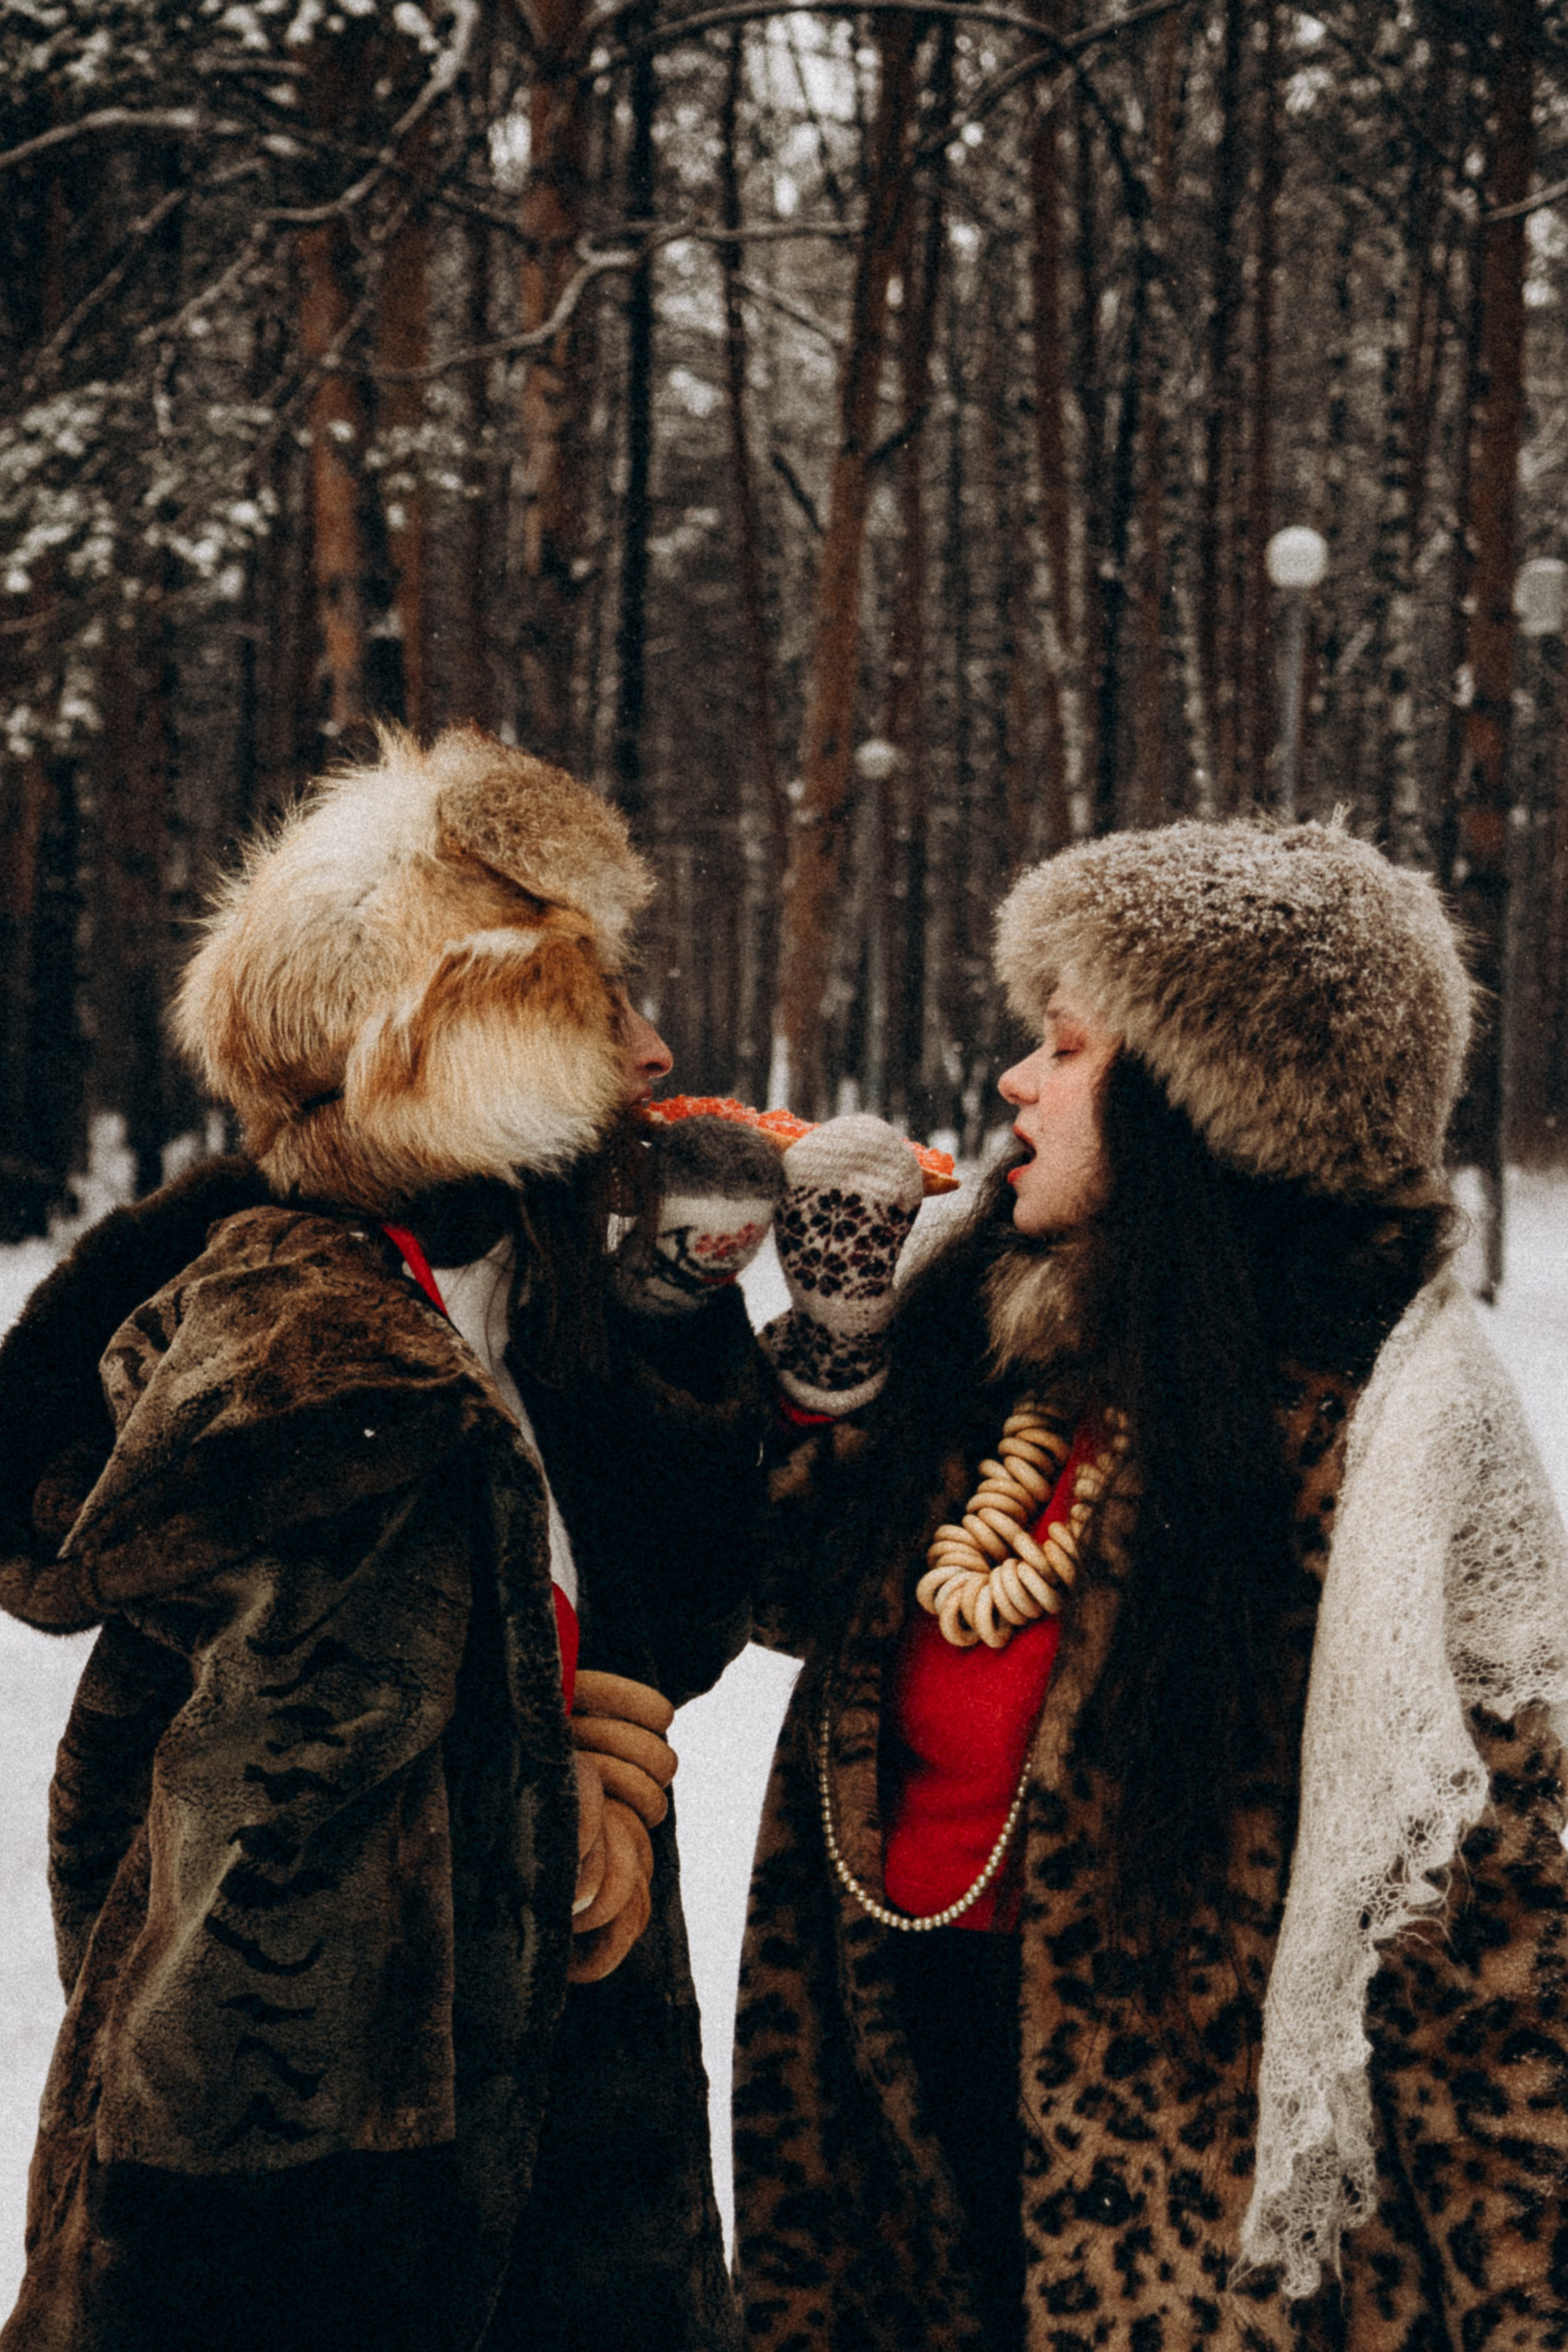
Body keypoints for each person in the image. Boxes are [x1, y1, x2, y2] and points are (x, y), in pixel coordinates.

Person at [0, 725, 789, 2352]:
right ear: (464, 1030)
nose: (651, 1054)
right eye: (599, 1006)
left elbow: (709, 1593)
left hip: (578, 2074)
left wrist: (712, 1327)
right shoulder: (258, 1291)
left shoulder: (565, 1274)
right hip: (305, 2129)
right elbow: (74, 1581)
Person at [736, 819, 1568, 2350]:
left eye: (1062, 1047)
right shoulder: (995, 1350)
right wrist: (836, 1345)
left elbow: (1490, 1957)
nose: (1011, 1084)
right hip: (899, 2172)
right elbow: (775, 1592)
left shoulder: (1372, 1440)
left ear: (1209, 1106)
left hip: (1190, 2255)